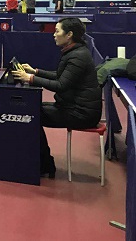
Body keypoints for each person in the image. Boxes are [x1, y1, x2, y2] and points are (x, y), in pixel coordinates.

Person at [12, 18, 101, 179]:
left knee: (30, 115)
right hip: (72, 106)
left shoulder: (78, 57)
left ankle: (44, 164)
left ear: (69, 35)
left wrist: (30, 79)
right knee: (31, 109)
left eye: (57, 31)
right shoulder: (75, 52)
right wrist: (35, 71)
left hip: (82, 113)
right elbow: (61, 76)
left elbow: (61, 85)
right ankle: (42, 162)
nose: (54, 35)